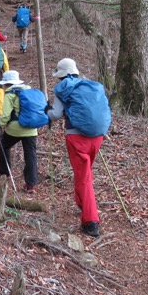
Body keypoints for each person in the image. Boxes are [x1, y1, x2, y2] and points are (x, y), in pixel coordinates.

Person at [46, 58, 109, 237]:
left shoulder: (62, 89)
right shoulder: (90, 86)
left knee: (84, 177)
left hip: (76, 137)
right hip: (97, 136)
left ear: (61, 75)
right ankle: (81, 202)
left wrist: (47, 111)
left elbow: (56, 115)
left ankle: (91, 221)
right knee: (85, 173)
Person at [0, 70, 38, 193]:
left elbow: (5, 117)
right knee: (30, 155)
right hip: (31, 128)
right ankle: (31, 185)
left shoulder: (10, 95)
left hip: (15, 128)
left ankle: (5, 172)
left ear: (6, 84)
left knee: (4, 146)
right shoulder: (30, 91)